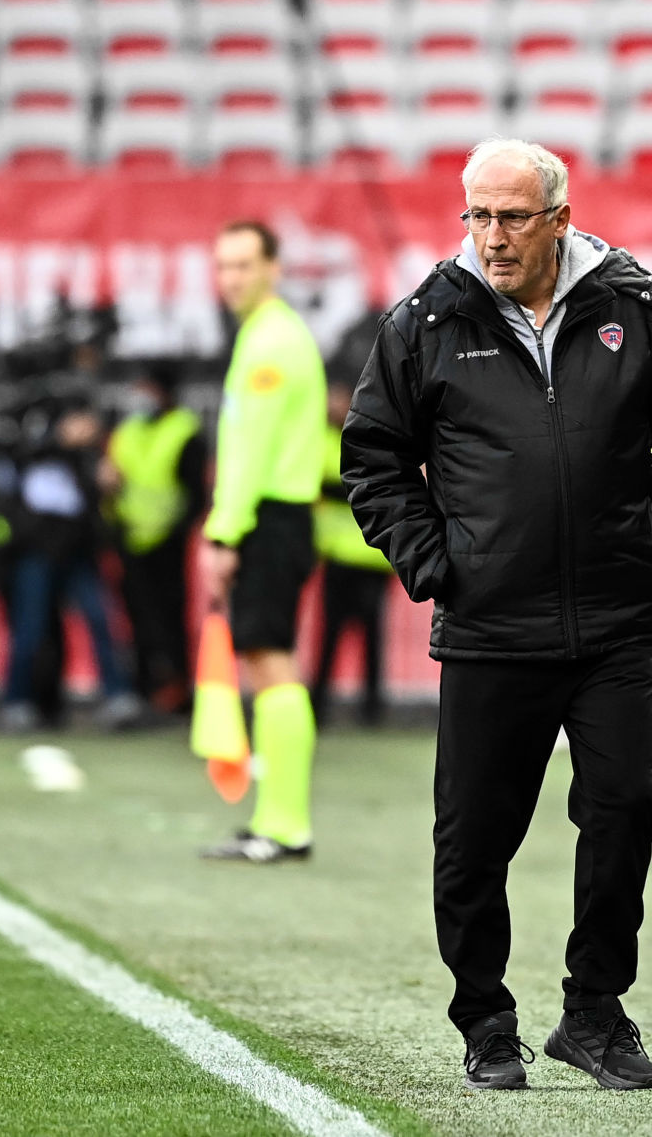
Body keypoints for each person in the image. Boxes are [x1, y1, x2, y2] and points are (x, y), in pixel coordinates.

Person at [344, 138, 652, 1090]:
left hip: (614, 620)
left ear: (559, 216)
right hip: (488, 625)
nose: (491, 236)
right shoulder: (428, 316)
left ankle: (595, 1012)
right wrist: (439, 564)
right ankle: (485, 1018)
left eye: (511, 216)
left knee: (624, 814)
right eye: (476, 215)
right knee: (474, 838)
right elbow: (373, 456)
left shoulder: (638, 304)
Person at [197, 220, 327, 863]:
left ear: (274, 267)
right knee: (269, 661)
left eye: (244, 264)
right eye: (223, 265)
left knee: (271, 661)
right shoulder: (269, 335)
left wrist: (223, 530)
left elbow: (251, 451)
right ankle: (278, 821)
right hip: (277, 516)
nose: (231, 278)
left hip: (268, 518)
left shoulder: (271, 342)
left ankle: (284, 825)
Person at [0, 400, 141, 732]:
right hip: (36, 551)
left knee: (101, 619)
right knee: (30, 630)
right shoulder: (31, 440)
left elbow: (95, 494)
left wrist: (104, 478)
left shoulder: (84, 456)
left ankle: (119, 697)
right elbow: (20, 454)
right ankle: (16, 701)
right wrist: (62, 438)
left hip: (77, 551)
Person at [104, 365, 206, 713]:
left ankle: (178, 689)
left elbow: (195, 495)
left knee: (171, 619)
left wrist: (175, 531)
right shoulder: (127, 431)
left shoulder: (185, 431)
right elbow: (113, 482)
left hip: (168, 543)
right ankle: (142, 689)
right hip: (131, 540)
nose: (139, 398)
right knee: (136, 619)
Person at [309, 381, 395, 725]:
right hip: (336, 555)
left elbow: (373, 484)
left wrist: (334, 489)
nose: (332, 405)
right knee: (329, 634)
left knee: (372, 636)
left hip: (370, 555)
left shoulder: (367, 435)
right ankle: (318, 704)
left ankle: (372, 708)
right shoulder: (319, 438)